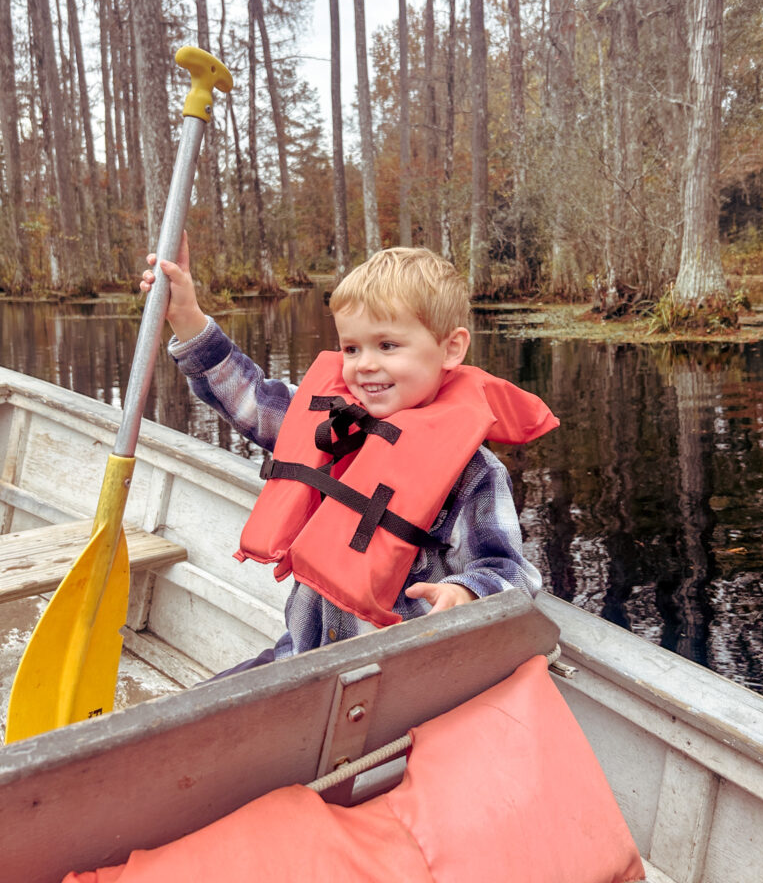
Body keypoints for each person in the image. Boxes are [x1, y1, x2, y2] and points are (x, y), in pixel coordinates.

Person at [140, 236, 558, 668]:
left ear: (451, 348)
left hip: (396, 671)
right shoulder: (334, 425)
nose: (364, 365)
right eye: (351, 348)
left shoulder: (474, 473)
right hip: (306, 652)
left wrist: (466, 591)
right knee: (205, 716)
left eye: (388, 346)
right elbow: (251, 401)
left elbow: (509, 572)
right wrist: (187, 318)